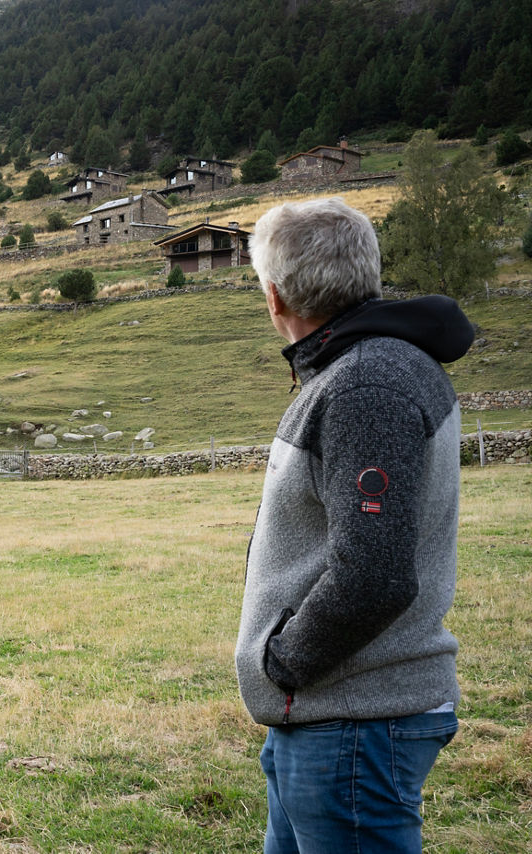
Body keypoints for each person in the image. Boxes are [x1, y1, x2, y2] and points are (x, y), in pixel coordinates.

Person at [234, 197, 473, 853]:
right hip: (328, 719)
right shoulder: (365, 370)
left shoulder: (367, 384)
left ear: (274, 296)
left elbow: (373, 576)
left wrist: (283, 663)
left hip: (354, 720)